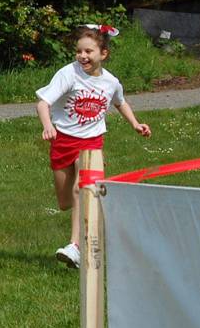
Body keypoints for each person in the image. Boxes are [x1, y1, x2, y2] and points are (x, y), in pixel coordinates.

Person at [36, 25, 151, 269]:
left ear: (103, 54)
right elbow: (43, 103)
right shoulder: (69, 74)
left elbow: (120, 102)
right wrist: (48, 127)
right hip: (63, 139)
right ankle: (86, 228)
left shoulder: (111, 82)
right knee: (65, 202)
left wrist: (136, 124)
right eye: (79, 51)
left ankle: (75, 246)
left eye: (89, 51)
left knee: (82, 188)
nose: (83, 56)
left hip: (91, 141)